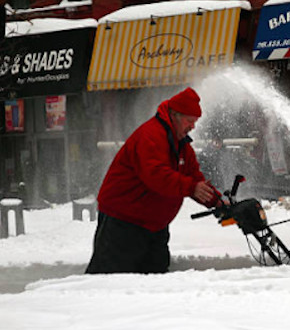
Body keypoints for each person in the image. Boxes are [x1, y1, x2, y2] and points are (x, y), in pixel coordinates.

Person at [86, 87, 219, 274]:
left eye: (195, 121)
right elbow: (156, 176)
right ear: (174, 115)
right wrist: (191, 187)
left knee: (154, 282)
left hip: (154, 227)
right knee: (111, 281)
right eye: (190, 121)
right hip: (123, 224)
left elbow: (195, 180)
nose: (193, 126)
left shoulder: (183, 146)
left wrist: (218, 202)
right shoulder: (151, 136)